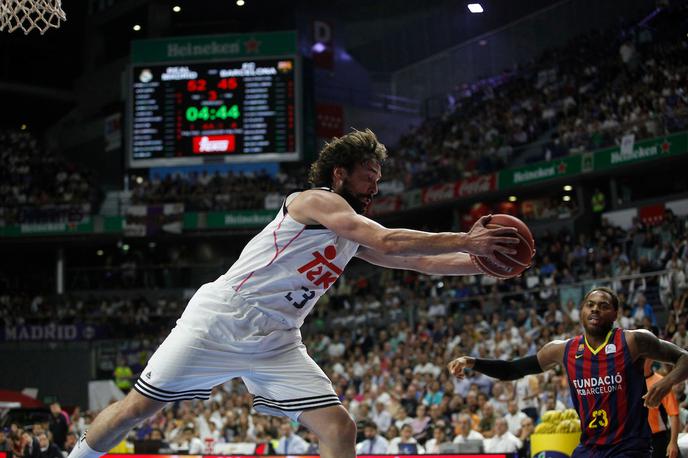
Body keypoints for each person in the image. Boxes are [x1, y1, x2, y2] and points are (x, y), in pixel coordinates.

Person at [66, 129, 518, 458]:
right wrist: (465, 238)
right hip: (222, 319)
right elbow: (386, 240)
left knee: (339, 427)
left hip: (279, 339)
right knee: (137, 410)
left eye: (378, 177)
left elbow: (415, 260)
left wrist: (484, 266)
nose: (375, 186)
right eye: (368, 176)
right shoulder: (313, 201)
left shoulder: (351, 231)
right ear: (340, 174)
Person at [449, 287, 688, 457]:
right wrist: (472, 361)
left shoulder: (634, 341)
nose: (595, 310)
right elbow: (513, 369)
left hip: (629, 447)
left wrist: (666, 383)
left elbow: (684, 358)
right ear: (582, 311)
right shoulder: (563, 350)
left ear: (615, 314)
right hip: (590, 447)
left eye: (604, 306)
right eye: (590, 305)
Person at [644, 357, 680, 458]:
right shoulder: (630, 381)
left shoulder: (661, 382)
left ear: (651, 360)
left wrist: (673, 442)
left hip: (658, 438)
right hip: (637, 438)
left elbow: (674, 414)